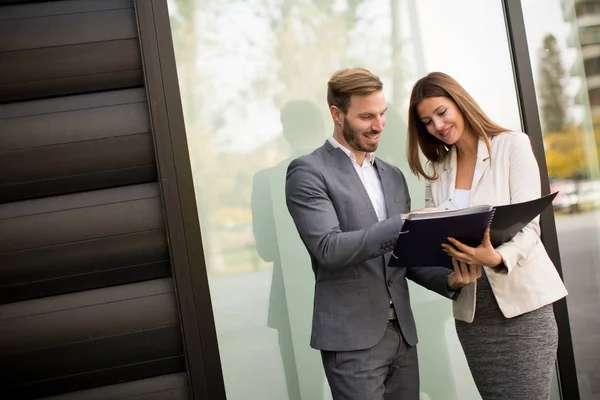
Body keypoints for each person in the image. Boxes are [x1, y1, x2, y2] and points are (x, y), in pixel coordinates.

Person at [285, 68, 480, 400]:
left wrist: (449, 281)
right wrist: (405, 221)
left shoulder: (392, 176)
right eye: (366, 117)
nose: (378, 125)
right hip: (351, 341)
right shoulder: (308, 172)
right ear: (337, 114)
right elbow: (329, 249)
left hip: (403, 335)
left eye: (382, 114)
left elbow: (404, 257)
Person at [406, 71, 569, 400]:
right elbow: (435, 241)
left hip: (523, 308)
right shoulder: (438, 171)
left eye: (441, 112)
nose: (437, 126)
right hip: (474, 317)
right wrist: (449, 273)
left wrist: (495, 258)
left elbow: (530, 226)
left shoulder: (512, 145)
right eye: (427, 122)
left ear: (460, 103)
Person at [251, 99, 326, 400]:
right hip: (348, 300)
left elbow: (267, 249)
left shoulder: (266, 181)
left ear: (286, 132)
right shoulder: (345, 170)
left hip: (291, 302)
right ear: (321, 126)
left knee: (303, 391)